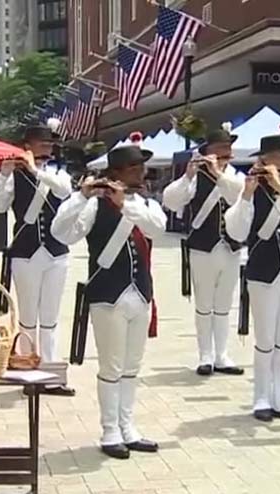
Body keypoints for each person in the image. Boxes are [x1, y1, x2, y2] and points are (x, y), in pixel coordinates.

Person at [51, 144, 166, 459]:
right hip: (108, 294)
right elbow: (61, 233)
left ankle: (128, 427)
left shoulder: (144, 204)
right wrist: (81, 196)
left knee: (132, 366)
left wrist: (125, 206)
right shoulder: (93, 206)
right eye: (134, 168)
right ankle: (109, 430)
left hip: (140, 293)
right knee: (111, 366)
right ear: (117, 173)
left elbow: (159, 228)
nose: (141, 173)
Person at [226, 133, 280, 423]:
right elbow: (237, 232)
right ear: (265, 159)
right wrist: (247, 196)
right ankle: (261, 398)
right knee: (265, 338)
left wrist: (279, 186)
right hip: (263, 271)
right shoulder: (248, 187)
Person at [0, 122, 75, 396]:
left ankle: (50, 373)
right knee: (28, 318)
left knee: (50, 318)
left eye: (49, 145)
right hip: (26, 252)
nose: (47, 149)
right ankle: (28, 373)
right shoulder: (15, 176)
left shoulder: (58, 171)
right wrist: (3, 176)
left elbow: (63, 191)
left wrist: (36, 171)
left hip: (56, 252)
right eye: (42, 144)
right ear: (28, 146)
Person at [162, 123, 246, 376]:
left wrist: (219, 174)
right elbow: (171, 200)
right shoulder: (196, 177)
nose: (224, 152)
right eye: (220, 148)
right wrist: (188, 175)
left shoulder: (237, 176)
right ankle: (205, 356)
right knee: (204, 304)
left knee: (223, 305)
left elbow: (239, 198)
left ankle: (222, 355)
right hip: (203, 248)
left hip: (230, 247)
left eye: (227, 148)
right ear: (207, 150)